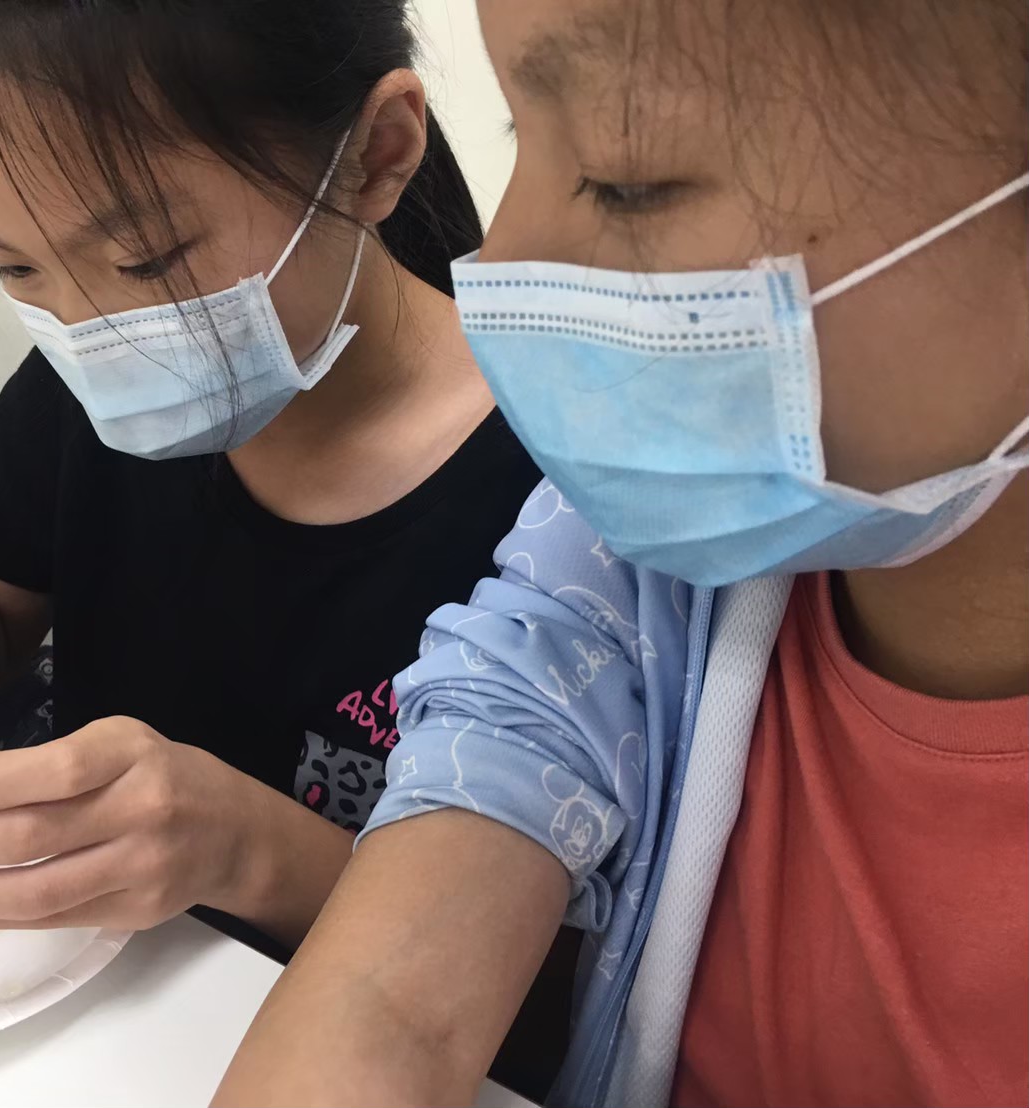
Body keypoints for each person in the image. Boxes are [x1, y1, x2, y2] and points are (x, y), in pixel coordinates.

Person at [0, 0, 573, 1097]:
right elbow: (0, 608)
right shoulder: (91, 383)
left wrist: (251, 852)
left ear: (375, 155)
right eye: (16, 271)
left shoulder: (565, 503)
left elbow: (578, 1001)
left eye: (147, 258)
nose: (94, 333)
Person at [215, 1, 1029, 1105]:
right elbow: (393, 1001)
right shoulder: (635, 563)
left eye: (623, 176)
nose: (501, 254)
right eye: (517, 133)